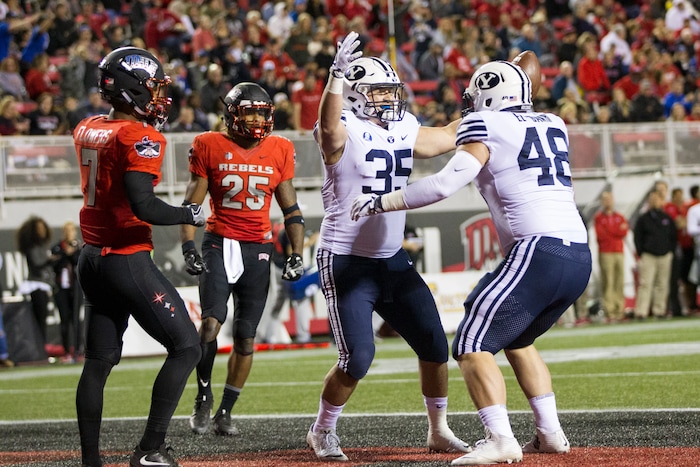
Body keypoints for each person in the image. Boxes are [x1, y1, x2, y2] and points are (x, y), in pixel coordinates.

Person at [352, 59, 592, 465]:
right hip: (577, 254)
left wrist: (381, 201)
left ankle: (500, 439)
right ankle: (550, 433)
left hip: (538, 249)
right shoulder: (554, 123)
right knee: (517, 338)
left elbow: (444, 182)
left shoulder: (485, 124)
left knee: (470, 342)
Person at [307, 31, 470, 462]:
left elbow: (444, 138)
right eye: (377, 91)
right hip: (346, 260)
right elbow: (327, 125)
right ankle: (322, 430)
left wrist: (485, 110)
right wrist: (335, 78)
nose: (387, 98)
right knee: (357, 358)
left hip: (393, 260)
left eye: (389, 90)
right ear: (356, 95)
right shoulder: (343, 129)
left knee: (436, 346)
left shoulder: (403, 125)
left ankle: (438, 430)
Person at [73, 46, 206, 467]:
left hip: (91, 257)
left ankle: (91, 461)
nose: (157, 97)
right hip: (124, 257)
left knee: (97, 362)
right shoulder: (140, 136)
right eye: (150, 88)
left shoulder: (88, 126)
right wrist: (190, 213)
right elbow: (143, 205)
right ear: (130, 89)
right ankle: (150, 449)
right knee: (187, 346)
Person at [181, 82, 306, 437]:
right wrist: (189, 246)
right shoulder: (209, 144)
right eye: (249, 111)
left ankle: (225, 411)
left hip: (258, 248)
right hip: (219, 241)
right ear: (232, 114)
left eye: (261, 112)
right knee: (210, 324)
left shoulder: (280, 148)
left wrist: (296, 254)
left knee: (247, 337)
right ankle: (203, 395)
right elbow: (193, 204)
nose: (256, 118)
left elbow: (291, 208)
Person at [633, 190, 677, 320]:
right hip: (649, 255)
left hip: (665, 255)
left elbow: (673, 236)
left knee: (662, 284)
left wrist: (670, 251)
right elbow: (638, 237)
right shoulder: (643, 219)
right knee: (645, 284)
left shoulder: (667, 218)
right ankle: (641, 312)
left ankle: (660, 310)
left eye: (656, 199)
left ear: (661, 200)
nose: (654, 201)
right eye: (651, 199)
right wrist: (641, 252)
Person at [16, 215, 55, 347]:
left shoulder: (44, 245)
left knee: (41, 317)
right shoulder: (32, 246)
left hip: (44, 285)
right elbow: (37, 263)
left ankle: (41, 346)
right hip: (36, 285)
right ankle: (40, 347)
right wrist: (50, 259)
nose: (42, 230)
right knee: (39, 318)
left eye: (43, 228)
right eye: (39, 228)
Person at [594, 190, 630, 322]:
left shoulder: (619, 216)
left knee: (619, 281)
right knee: (608, 281)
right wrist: (616, 230)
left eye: (609, 199)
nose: (607, 201)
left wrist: (612, 231)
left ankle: (619, 309)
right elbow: (602, 235)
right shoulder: (599, 218)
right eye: (605, 199)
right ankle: (609, 311)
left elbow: (624, 231)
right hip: (606, 252)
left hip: (618, 251)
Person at [50, 220, 83, 362]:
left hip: (75, 287)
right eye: (67, 231)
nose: (69, 234)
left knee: (76, 319)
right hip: (62, 287)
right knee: (64, 319)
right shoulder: (57, 247)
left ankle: (78, 349)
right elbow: (54, 264)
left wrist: (71, 253)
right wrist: (65, 254)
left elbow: (78, 261)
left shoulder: (79, 246)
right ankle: (66, 351)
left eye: (71, 231)